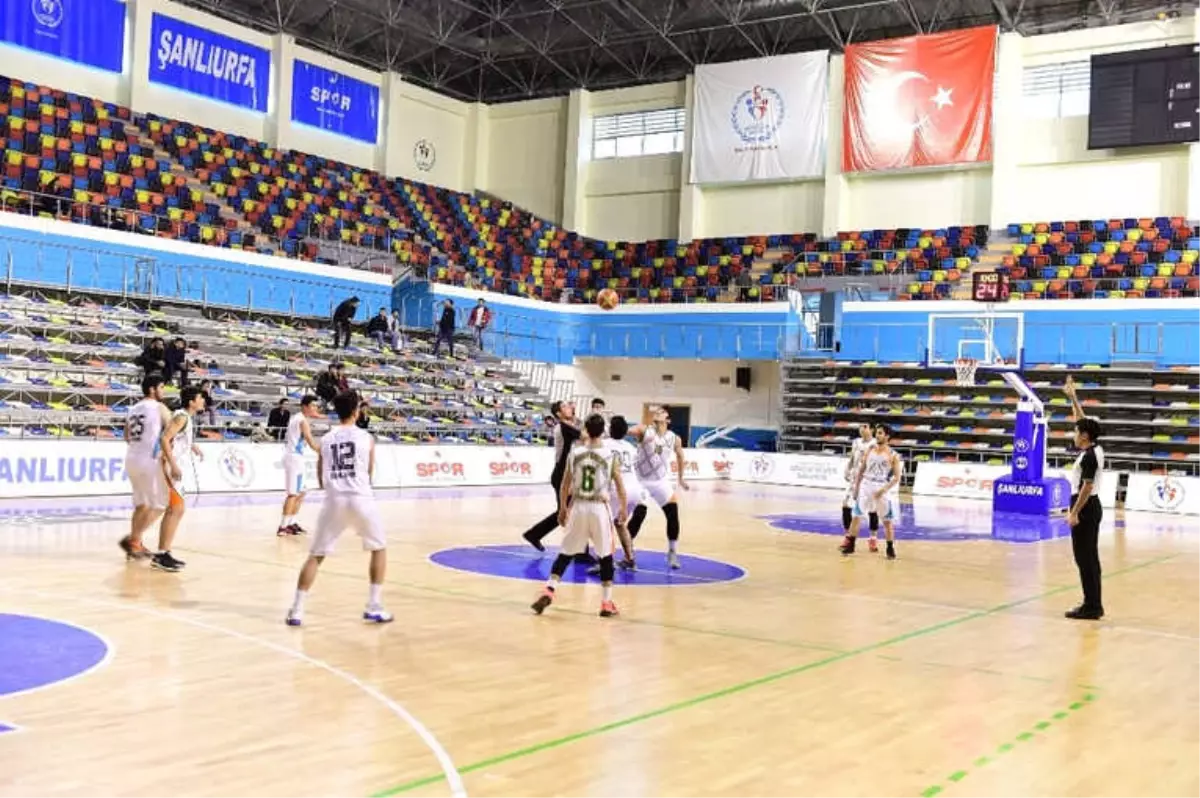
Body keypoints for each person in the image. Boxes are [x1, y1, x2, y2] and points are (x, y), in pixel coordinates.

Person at [286, 391, 392, 627]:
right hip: (360, 497)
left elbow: (322, 475)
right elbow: (369, 472)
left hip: (334, 499)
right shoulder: (366, 438)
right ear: (356, 411)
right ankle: (374, 605)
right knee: (379, 548)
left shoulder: (326, 439)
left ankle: (296, 610)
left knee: (316, 556)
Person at [531, 413, 626, 618]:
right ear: (603, 431)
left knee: (566, 552)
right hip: (599, 507)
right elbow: (619, 485)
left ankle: (549, 589)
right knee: (606, 555)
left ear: (586, 430)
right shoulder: (610, 455)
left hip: (579, 506)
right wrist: (624, 508)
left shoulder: (575, 452)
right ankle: (606, 602)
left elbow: (565, 484)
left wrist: (563, 509)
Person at [1064, 375, 1105, 620]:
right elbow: (1082, 420)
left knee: (1084, 558)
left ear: (1085, 437)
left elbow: (1086, 488)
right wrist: (1073, 398)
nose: (1074, 433)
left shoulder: (1089, 457)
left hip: (1086, 508)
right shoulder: (1095, 447)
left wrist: (1074, 512)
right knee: (1090, 557)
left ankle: (1091, 606)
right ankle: (1093, 602)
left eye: (1077, 432)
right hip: (1091, 507)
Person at [153, 386, 206, 573]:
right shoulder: (182, 416)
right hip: (171, 465)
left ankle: (164, 552)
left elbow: (179, 438)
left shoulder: (185, 417)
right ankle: (162, 553)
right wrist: (173, 464)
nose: (203, 401)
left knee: (176, 509)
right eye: (200, 398)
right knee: (176, 509)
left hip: (176, 464)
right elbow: (165, 439)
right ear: (191, 401)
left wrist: (193, 446)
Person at [628, 406, 688, 569]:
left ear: (668, 420)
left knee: (673, 512)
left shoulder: (674, 438)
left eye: (662, 412)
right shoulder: (645, 430)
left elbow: (681, 457)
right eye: (657, 412)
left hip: (660, 481)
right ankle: (628, 551)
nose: (658, 413)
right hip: (640, 480)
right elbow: (629, 430)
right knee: (640, 514)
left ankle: (672, 552)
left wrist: (681, 479)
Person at [521, 401, 585, 556]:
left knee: (568, 511)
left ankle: (534, 534)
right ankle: (579, 552)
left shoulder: (567, 426)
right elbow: (584, 436)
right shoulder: (563, 427)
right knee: (573, 512)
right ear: (558, 413)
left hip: (568, 472)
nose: (569, 407)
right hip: (562, 474)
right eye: (565, 407)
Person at [119, 375, 170, 562]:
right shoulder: (159, 407)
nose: (163, 391)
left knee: (141, 504)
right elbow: (173, 430)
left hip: (132, 457)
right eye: (162, 387)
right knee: (157, 505)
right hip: (149, 459)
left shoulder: (133, 408)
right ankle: (133, 540)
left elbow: (126, 435)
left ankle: (135, 542)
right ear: (152, 389)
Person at [841, 423, 902, 560]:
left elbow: (897, 477)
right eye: (877, 433)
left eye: (880, 433)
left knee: (887, 521)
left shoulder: (893, 455)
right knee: (857, 515)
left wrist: (883, 489)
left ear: (887, 436)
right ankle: (851, 544)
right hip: (866, 484)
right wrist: (856, 487)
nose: (877, 435)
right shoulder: (869, 450)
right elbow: (862, 469)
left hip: (880, 486)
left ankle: (890, 547)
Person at [279, 395, 321, 537]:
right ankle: (283, 526)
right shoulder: (302, 420)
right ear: (304, 406)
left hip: (297, 457)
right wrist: (322, 452)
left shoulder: (297, 417)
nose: (315, 408)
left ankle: (292, 522)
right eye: (313, 405)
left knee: (302, 492)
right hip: (294, 458)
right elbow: (309, 439)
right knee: (293, 494)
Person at [605, 415, 641, 571]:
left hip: (617, 490)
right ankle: (629, 558)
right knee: (619, 524)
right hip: (634, 489)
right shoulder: (630, 447)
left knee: (605, 527)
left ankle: (605, 563)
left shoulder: (604, 445)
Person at [841, 424, 881, 552]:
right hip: (855, 479)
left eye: (865, 426)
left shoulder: (876, 443)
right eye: (860, 426)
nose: (862, 428)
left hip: (868, 480)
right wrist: (847, 469)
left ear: (872, 430)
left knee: (872, 509)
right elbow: (852, 458)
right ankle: (847, 536)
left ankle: (873, 539)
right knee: (846, 506)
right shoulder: (856, 442)